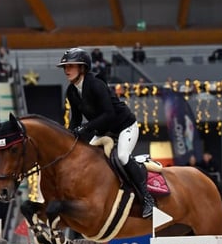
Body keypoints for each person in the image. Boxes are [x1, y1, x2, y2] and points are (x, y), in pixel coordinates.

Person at [57, 47, 155, 218]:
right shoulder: (72, 91)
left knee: (123, 157)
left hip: (125, 127)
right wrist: (68, 138)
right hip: (104, 131)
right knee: (84, 158)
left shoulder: (96, 84)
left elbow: (109, 114)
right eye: (65, 67)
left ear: (82, 68)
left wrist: (86, 128)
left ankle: (147, 197)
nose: (67, 70)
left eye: (71, 66)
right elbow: (76, 120)